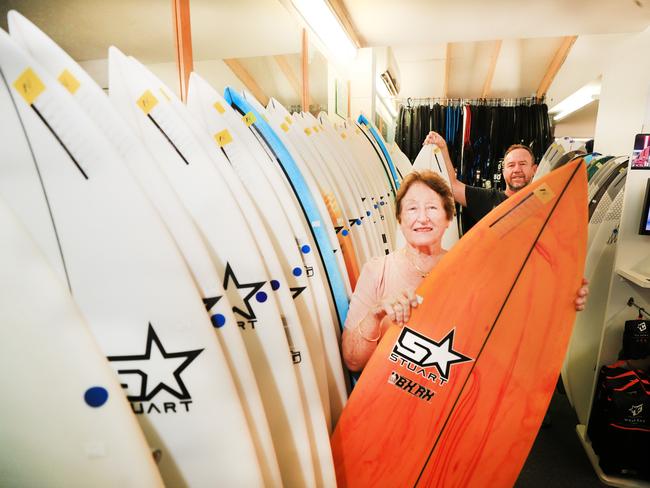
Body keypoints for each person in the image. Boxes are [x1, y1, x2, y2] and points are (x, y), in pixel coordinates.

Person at [341, 169, 589, 372]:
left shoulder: (471, 272)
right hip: (387, 407)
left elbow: (517, 326)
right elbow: (353, 361)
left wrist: (564, 298)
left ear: (448, 218)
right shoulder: (378, 271)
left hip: (447, 412)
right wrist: (376, 313)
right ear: (400, 219)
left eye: (432, 208)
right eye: (412, 208)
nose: (423, 218)